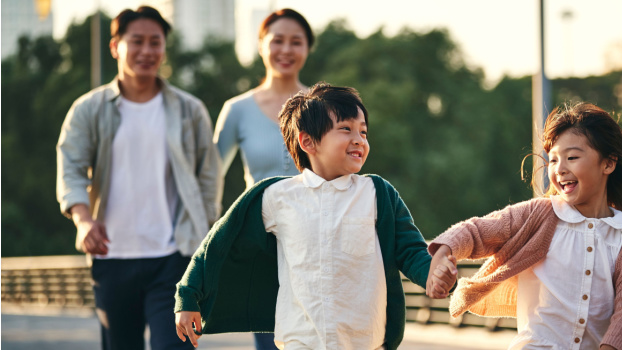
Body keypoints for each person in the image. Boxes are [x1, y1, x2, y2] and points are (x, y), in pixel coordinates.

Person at [174, 83, 458, 350]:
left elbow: (410, 250)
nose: (359, 140)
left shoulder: (377, 193)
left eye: (364, 132)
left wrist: (433, 272)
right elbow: (218, 243)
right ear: (308, 142)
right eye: (346, 129)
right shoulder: (277, 196)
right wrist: (188, 296)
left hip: (365, 341)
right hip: (301, 339)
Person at [425, 103, 622, 350]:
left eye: (572, 157)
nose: (560, 169)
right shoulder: (539, 215)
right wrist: (442, 255)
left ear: (609, 163)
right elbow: (475, 231)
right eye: (553, 159)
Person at [55, 6, 221, 350]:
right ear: (116, 46)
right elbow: (70, 165)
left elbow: (209, 178)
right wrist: (83, 220)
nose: (147, 51)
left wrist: (204, 243)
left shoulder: (190, 110)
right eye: (137, 41)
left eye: (155, 42)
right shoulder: (88, 109)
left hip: (175, 257)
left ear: (164, 48)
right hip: (111, 258)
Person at [213, 9, 313, 349]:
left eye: (296, 42)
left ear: (307, 49)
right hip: (262, 246)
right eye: (277, 40)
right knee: (272, 342)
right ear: (260, 46)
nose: (286, 50)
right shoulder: (237, 109)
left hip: (320, 241)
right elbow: (210, 176)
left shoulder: (325, 105)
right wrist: (217, 235)